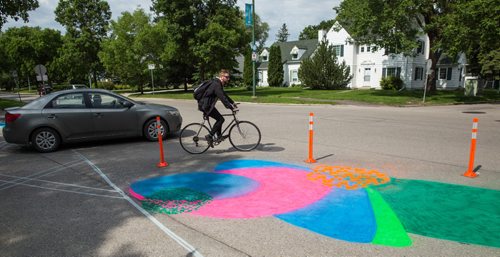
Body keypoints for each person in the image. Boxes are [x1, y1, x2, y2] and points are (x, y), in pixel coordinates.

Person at [198, 69, 237, 146]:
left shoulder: (218, 83)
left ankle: (218, 136)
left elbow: (224, 95)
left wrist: (232, 102)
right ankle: (209, 136)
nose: (228, 79)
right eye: (227, 77)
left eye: (229, 77)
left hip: (207, 105)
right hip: (206, 106)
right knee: (220, 119)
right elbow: (222, 98)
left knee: (220, 119)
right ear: (222, 77)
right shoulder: (216, 85)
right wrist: (231, 107)